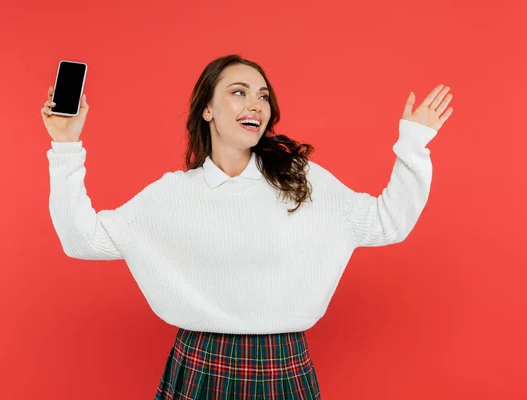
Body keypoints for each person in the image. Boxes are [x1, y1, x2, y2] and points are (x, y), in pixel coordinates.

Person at [41, 54, 453, 399]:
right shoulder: (171, 194)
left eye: (263, 97)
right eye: (238, 92)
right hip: (200, 365)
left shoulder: (303, 181)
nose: (255, 104)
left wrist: (413, 146)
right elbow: (83, 240)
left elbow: (388, 223)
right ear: (207, 109)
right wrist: (65, 146)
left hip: (284, 364)